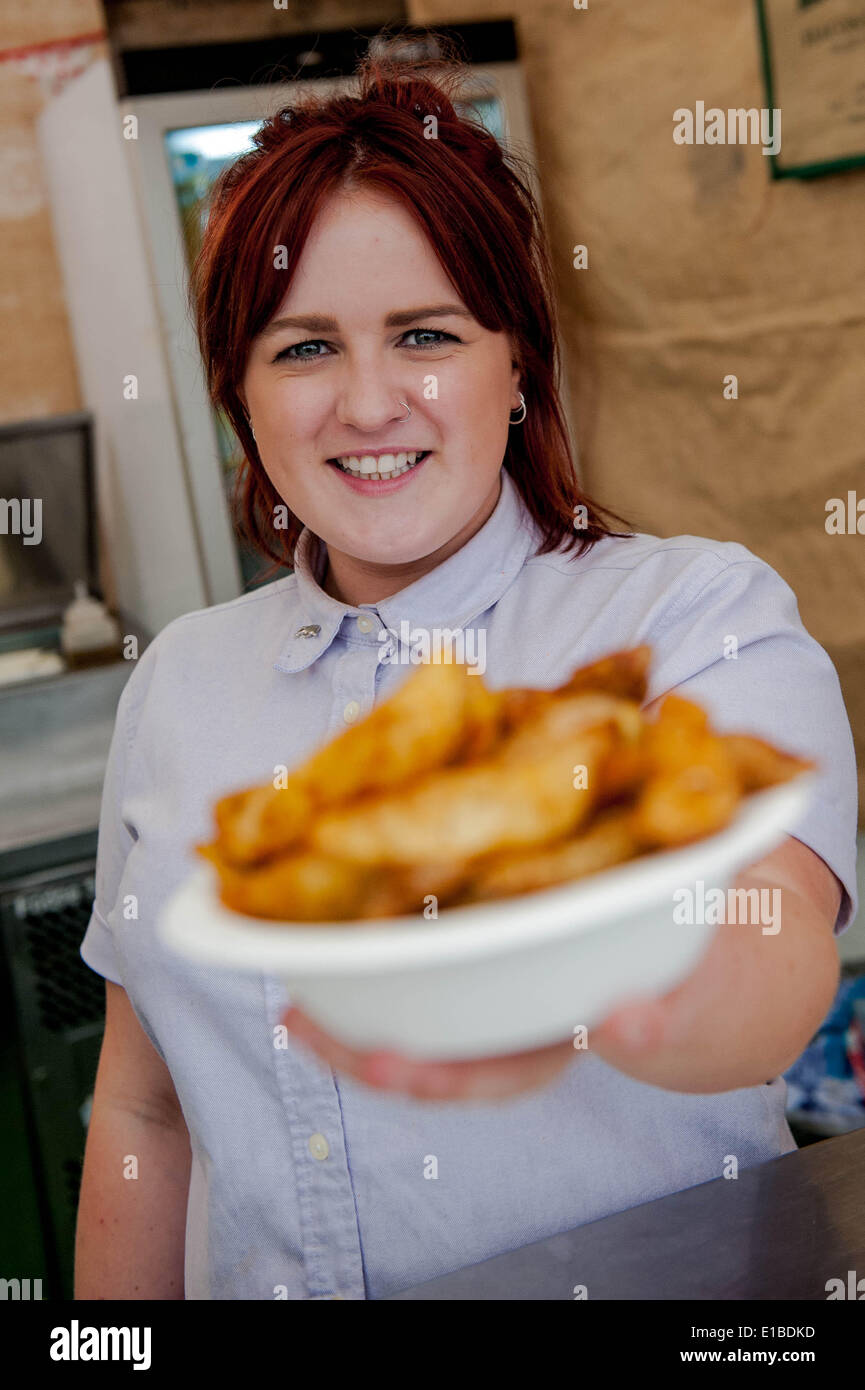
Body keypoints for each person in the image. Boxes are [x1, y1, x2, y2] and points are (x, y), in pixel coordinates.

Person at [75, 39, 858, 1301]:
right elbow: (142, 1111)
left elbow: (770, 965)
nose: (369, 401)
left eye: (425, 333)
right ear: (241, 394)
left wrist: (586, 977)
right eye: (303, 347)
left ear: (514, 368)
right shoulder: (177, 684)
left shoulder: (692, 617)